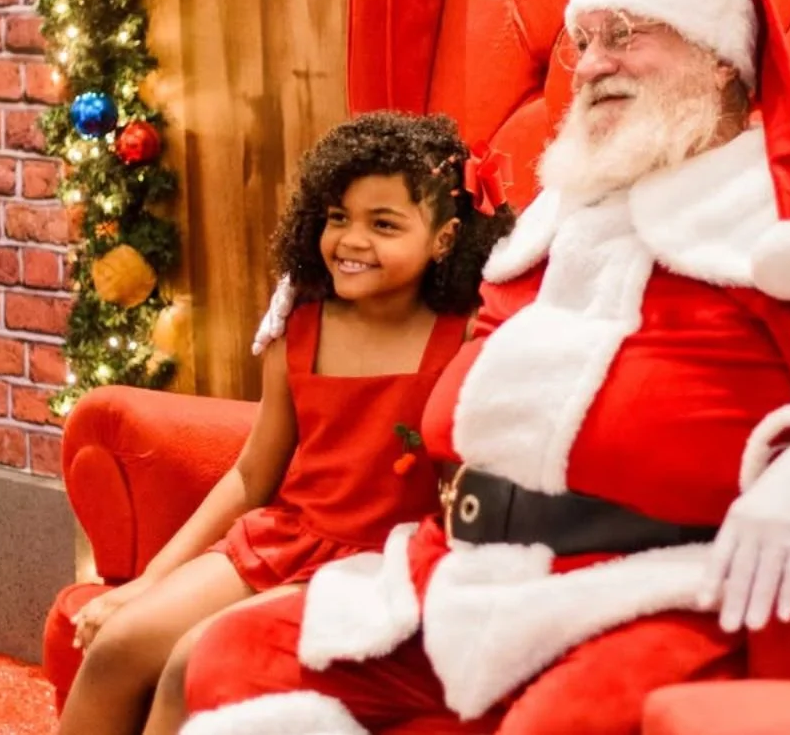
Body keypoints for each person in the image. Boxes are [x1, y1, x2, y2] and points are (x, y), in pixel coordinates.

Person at [179, 0, 790, 735]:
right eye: (585, 40)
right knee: (239, 655)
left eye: (628, 35)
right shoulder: (563, 220)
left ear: (720, 60)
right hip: (464, 574)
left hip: (653, 588)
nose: (597, 61)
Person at [56, 112, 516, 735]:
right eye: (337, 218)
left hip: (378, 566)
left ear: (444, 238)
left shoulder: (465, 336)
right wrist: (147, 582)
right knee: (119, 646)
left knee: (192, 661)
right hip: (286, 539)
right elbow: (251, 474)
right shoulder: (299, 325)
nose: (351, 241)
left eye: (384, 224)